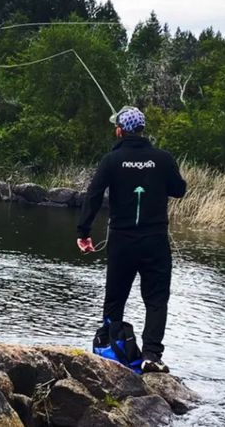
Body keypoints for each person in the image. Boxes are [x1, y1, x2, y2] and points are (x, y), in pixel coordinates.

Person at [77, 106, 187, 373]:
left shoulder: (112, 160)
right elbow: (179, 189)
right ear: (142, 129)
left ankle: (112, 350)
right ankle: (151, 356)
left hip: (121, 242)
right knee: (157, 298)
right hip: (155, 241)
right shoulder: (162, 158)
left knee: (115, 297)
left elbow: (93, 196)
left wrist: (83, 232)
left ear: (119, 131)